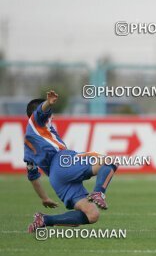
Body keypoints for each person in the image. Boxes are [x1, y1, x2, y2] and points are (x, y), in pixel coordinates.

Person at [25, 90, 118, 232]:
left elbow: (33, 176)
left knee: (92, 215)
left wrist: (44, 198)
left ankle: (45, 220)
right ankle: (99, 192)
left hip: (57, 179)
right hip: (62, 161)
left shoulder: (28, 146)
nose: (52, 115)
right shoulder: (36, 121)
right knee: (110, 161)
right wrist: (48, 103)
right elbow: (41, 111)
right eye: (51, 112)